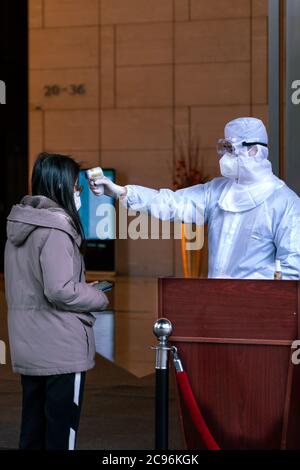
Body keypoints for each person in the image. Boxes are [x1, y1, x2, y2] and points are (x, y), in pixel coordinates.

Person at [88, 117, 300, 279]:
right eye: (223, 149)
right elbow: (171, 203)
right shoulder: (216, 191)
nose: (225, 157)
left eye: (231, 149)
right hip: (216, 304)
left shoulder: (284, 203)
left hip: (259, 313)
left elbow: (292, 271)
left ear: (254, 151)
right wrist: (122, 192)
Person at [4, 153, 109, 450]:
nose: (79, 193)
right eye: (77, 187)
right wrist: (97, 296)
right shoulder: (57, 229)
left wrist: (77, 287)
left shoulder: (20, 225)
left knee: (33, 432)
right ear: (62, 186)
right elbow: (60, 290)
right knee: (62, 436)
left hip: (31, 346)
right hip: (61, 350)